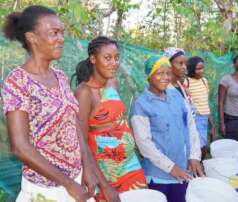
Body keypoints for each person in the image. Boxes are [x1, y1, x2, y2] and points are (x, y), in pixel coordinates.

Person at [1, 5, 107, 202]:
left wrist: (87, 168)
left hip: (75, 181)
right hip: (46, 190)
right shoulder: (18, 81)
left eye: (62, 33)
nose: (61, 38)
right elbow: (20, 147)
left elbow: (73, 125)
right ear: (32, 38)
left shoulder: (60, 76)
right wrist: (68, 184)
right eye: (54, 33)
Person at [74, 36, 147, 202]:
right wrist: (105, 185)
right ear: (93, 59)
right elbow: (82, 142)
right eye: (107, 58)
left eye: (116, 58)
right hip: (106, 172)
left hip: (130, 164)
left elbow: (117, 121)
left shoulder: (112, 83)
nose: (114, 63)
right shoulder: (84, 93)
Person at [130, 55, 203, 202]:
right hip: (159, 177)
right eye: (159, 73)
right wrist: (171, 168)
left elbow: (190, 125)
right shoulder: (141, 105)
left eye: (168, 73)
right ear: (150, 76)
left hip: (184, 171)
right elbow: (144, 145)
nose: (165, 77)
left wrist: (194, 155)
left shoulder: (175, 95)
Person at [186, 56, 216, 160]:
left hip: (204, 119)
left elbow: (205, 104)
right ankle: (196, 169)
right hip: (194, 118)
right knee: (197, 146)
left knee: (202, 146)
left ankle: (199, 166)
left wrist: (212, 125)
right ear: (191, 69)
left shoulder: (204, 81)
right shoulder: (187, 82)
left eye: (202, 68)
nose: (201, 71)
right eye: (198, 69)